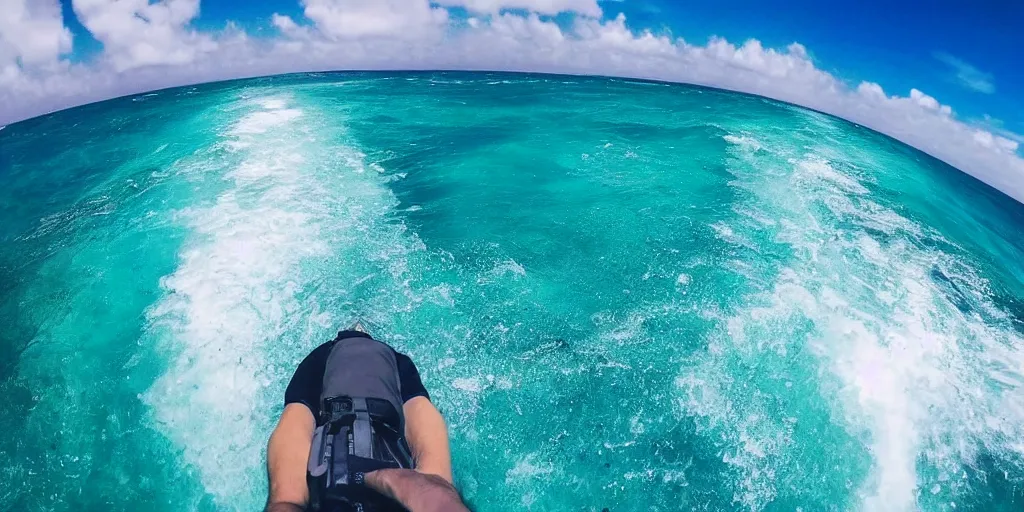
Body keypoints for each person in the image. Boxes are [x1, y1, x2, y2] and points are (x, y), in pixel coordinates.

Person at [266, 326, 471, 512]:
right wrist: (372, 477)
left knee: (287, 498)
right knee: (436, 483)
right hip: (375, 370)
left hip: (353, 366)